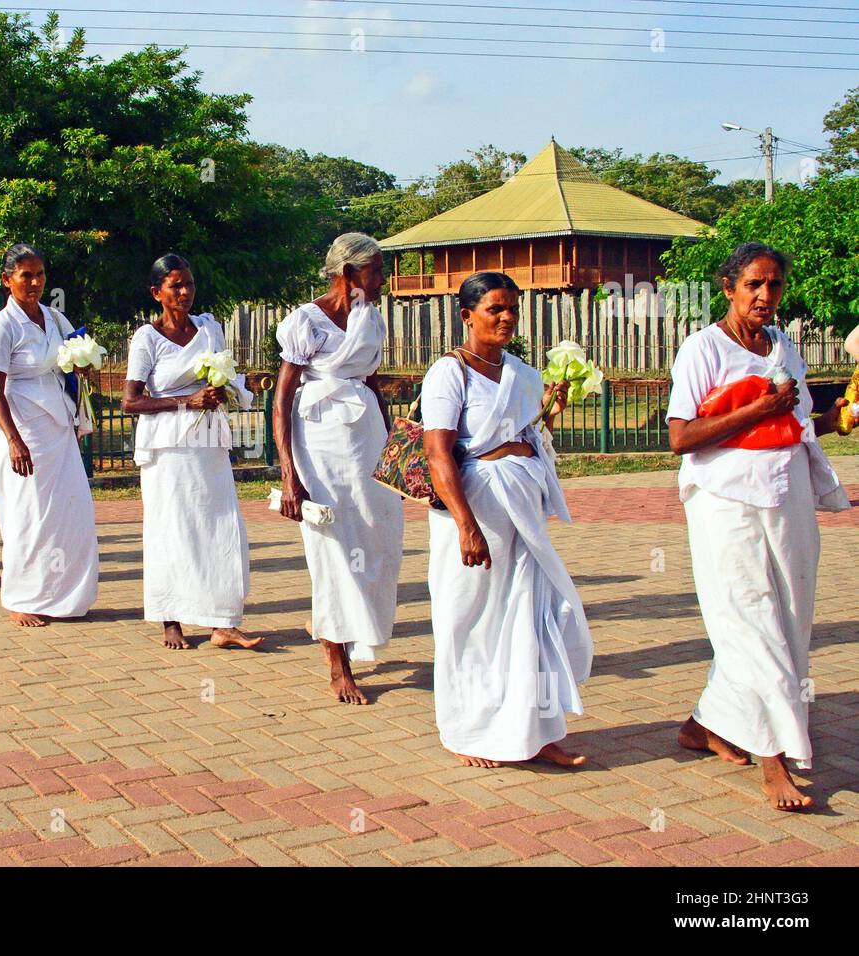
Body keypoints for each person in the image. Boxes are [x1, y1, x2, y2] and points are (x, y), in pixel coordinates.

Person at [667, 242, 850, 812]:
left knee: (791, 614)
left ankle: (704, 724)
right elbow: (679, 436)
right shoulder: (702, 348)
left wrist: (837, 418)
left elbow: (798, 420)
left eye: (774, 285)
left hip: (787, 490)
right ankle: (774, 759)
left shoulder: (784, 347)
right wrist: (757, 411)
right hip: (726, 499)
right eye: (754, 285)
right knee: (748, 619)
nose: (765, 296)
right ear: (729, 288)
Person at [421, 271, 591, 768]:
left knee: (528, 617)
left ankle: (533, 731)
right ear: (467, 315)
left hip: (523, 508)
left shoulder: (524, 373)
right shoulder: (449, 373)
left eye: (512, 308)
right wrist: (466, 525)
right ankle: (467, 730)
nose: (506, 317)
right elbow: (438, 452)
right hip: (476, 506)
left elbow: (530, 435)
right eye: (495, 308)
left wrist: (550, 412)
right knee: (471, 618)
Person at [273, 233, 405, 704]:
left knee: (378, 540)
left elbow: (371, 382)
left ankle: (351, 629)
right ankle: (336, 659)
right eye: (377, 270)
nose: (384, 279)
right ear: (349, 273)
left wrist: (393, 454)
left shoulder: (371, 319)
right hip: (320, 441)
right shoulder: (304, 322)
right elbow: (282, 399)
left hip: (365, 437)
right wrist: (290, 475)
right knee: (332, 546)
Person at [121, 253, 259, 650]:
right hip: (168, 449)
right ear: (156, 293)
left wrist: (224, 391)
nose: (185, 292)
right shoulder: (146, 338)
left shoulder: (209, 328)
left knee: (221, 528)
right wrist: (187, 401)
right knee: (172, 530)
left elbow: (226, 376)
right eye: (175, 286)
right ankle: (171, 618)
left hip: (208, 444)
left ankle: (223, 623)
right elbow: (130, 402)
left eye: (190, 285)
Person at [0, 245, 98, 626]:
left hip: (58, 426)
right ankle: (22, 597)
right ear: (7, 280)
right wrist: (13, 439)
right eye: (25, 275)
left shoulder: (55, 317)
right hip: (24, 428)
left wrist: (83, 368)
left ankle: (64, 596)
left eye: (40, 275)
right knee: (28, 514)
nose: (34, 283)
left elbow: (72, 358)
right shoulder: (2, 326)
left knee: (70, 510)